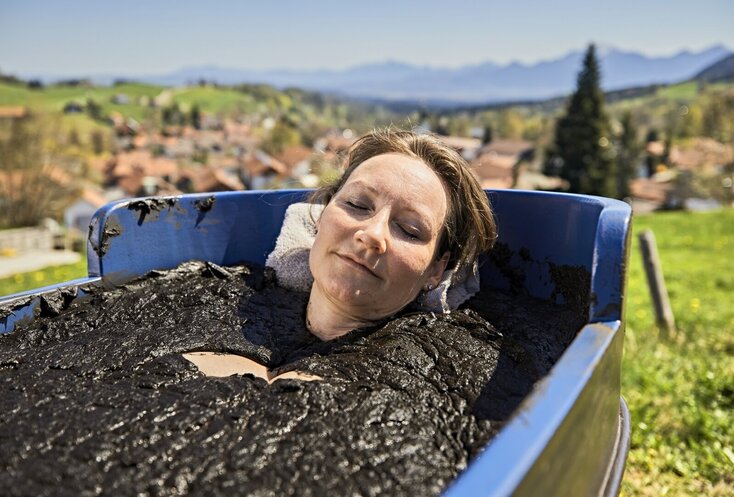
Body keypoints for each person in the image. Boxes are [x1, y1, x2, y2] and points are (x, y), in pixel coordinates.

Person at [306, 128, 497, 340]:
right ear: (322, 215)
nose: (373, 234)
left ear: (436, 269)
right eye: (357, 204)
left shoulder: (443, 355)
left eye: (409, 230)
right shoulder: (263, 295)